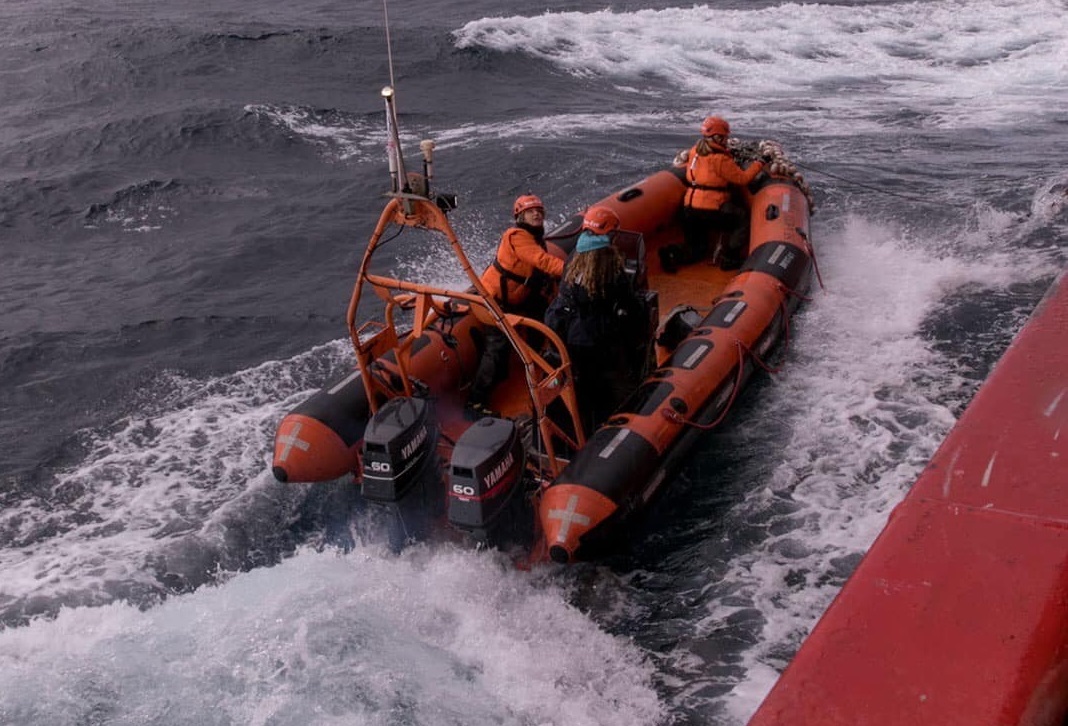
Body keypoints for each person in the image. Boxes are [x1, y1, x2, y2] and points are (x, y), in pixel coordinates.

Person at [545, 206, 645, 432]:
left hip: (568, 334)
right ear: (609, 234)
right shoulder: (608, 265)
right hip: (595, 340)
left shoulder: (574, 257)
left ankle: (584, 423)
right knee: (612, 384)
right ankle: (612, 426)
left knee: (584, 385)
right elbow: (627, 301)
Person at [468, 194, 564, 416]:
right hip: (494, 303)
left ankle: (541, 361)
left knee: (544, 314)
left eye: (539, 210)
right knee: (497, 348)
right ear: (520, 216)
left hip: (517, 298)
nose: (537, 213)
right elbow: (543, 261)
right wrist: (573, 270)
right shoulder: (518, 237)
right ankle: (475, 402)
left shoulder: (533, 238)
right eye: (531, 211)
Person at [660, 115, 765, 273]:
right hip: (712, 209)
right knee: (741, 219)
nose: (726, 140)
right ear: (718, 137)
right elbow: (743, 179)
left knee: (697, 249)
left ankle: (672, 252)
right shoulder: (720, 159)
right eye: (725, 137)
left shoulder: (694, 152)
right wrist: (759, 163)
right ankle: (730, 258)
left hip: (689, 208)